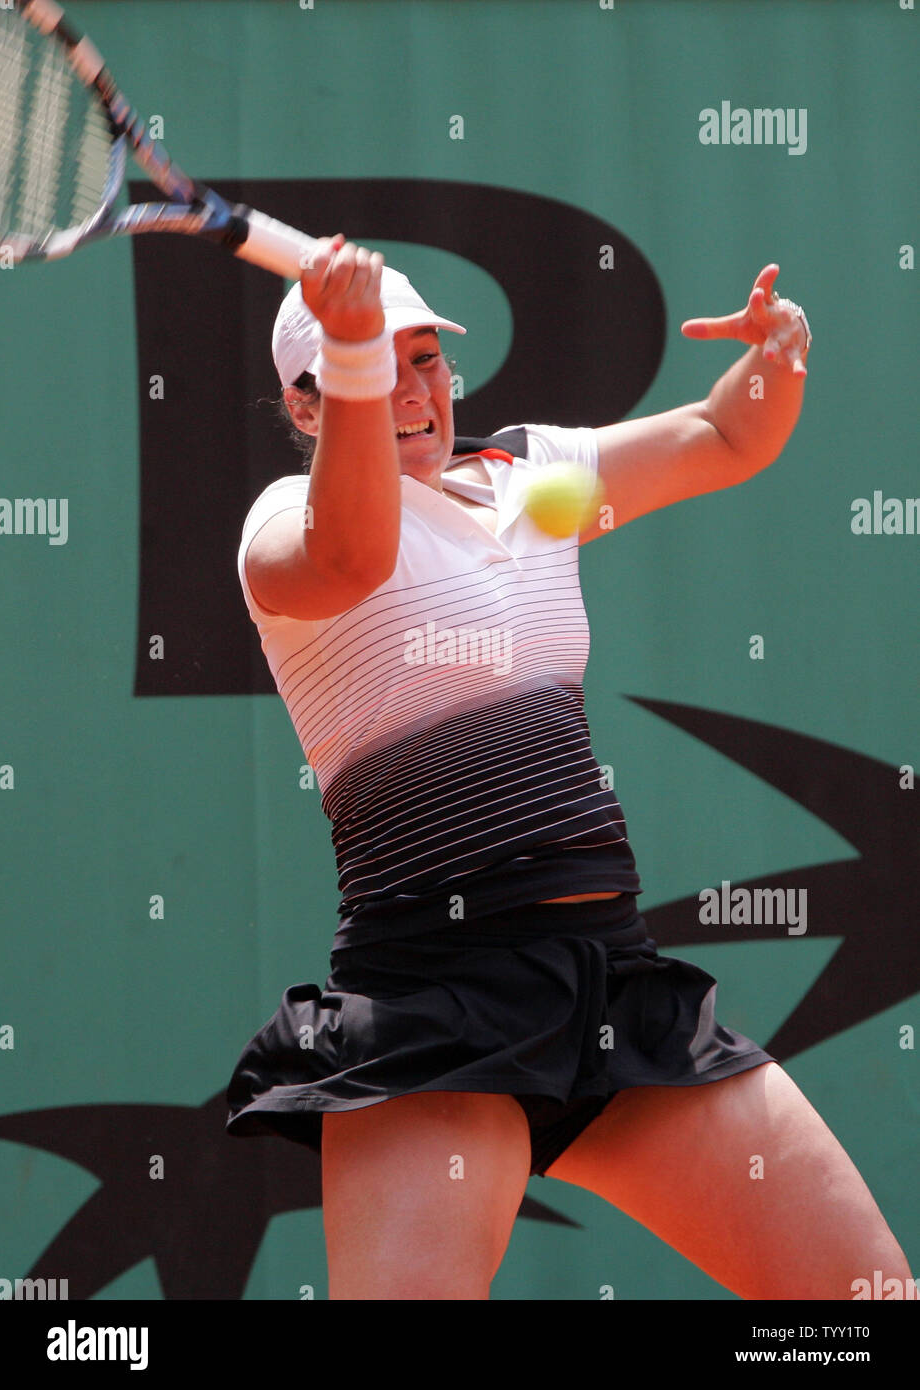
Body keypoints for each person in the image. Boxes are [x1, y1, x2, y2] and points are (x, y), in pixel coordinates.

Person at [226, 233, 911, 1301]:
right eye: (371, 363)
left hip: (613, 990)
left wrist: (776, 353)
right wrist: (352, 345)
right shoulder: (283, 522)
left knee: (861, 1301)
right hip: (432, 1016)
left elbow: (721, 432)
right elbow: (349, 556)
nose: (410, 388)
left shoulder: (529, 478)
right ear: (308, 407)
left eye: (423, 357)